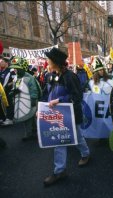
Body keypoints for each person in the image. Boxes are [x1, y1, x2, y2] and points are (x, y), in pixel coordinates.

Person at [43, 47, 90, 187]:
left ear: (55, 62)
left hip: (70, 115)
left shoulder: (70, 76)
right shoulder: (53, 75)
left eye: (49, 60)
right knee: (60, 141)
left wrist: (60, 101)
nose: (47, 61)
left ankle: (86, 153)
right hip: (57, 115)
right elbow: (48, 93)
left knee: (77, 137)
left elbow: (77, 96)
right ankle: (60, 171)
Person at [9, 57, 40, 141]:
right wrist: (13, 92)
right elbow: (16, 88)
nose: (16, 70)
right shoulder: (17, 78)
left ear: (23, 68)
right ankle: (34, 130)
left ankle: (29, 134)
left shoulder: (30, 78)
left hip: (30, 101)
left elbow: (34, 90)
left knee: (29, 118)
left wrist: (33, 99)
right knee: (28, 118)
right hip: (22, 101)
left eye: (17, 68)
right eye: (15, 68)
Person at [0, 55, 16, 126]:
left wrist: (7, 86)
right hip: (2, 91)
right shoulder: (2, 71)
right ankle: (2, 118)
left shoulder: (11, 70)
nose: (0, 63)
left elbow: (14, 80)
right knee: (2, 105)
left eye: (2, 61)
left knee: (9, 104)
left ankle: (9, 119)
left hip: (8, 91)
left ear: (6, 63)